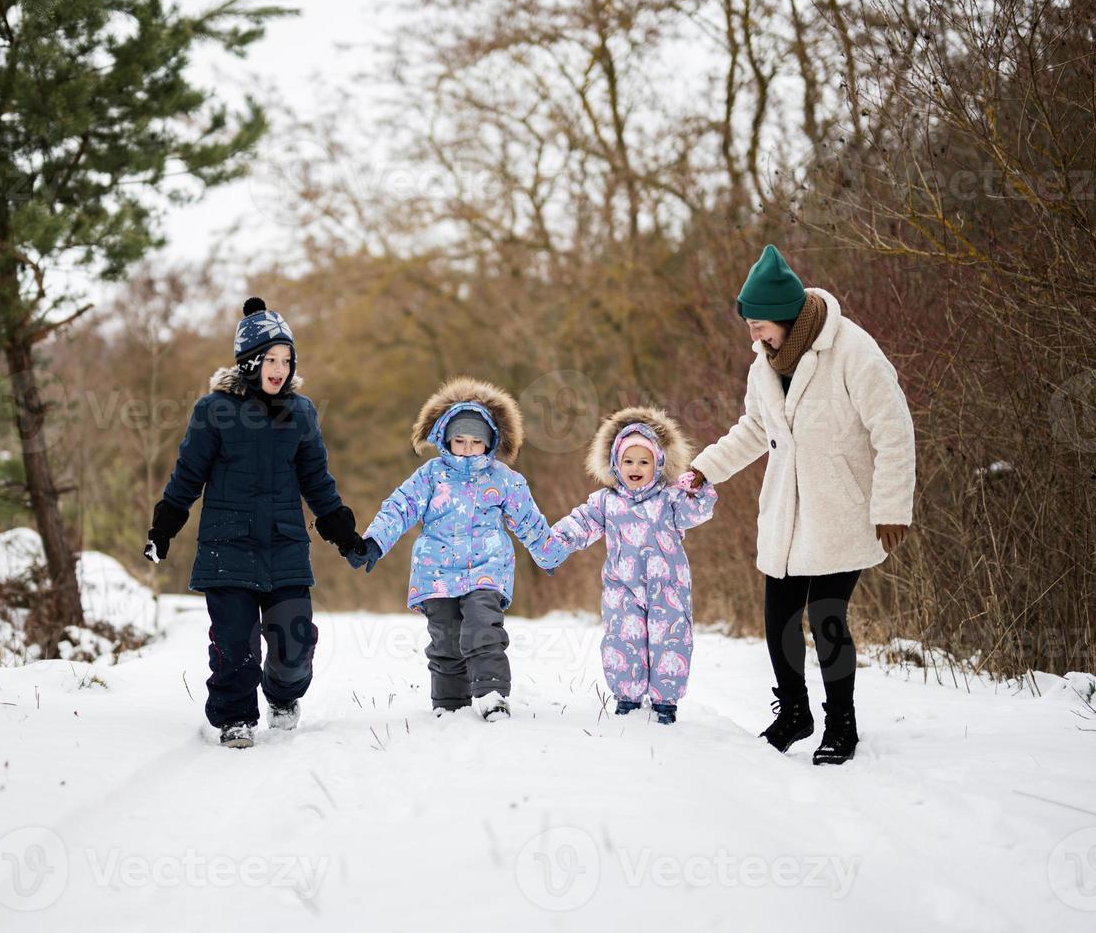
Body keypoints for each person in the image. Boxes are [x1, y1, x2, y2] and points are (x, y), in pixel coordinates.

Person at [688, 244, 915, 764]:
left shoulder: (853, 352)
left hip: (843, 508)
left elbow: (894, 430)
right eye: (749, 325)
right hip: (788, 510)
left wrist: (891, 507)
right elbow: (753, 428)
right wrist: (705, 468)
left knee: (827, 615)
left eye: (761, 324)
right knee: (779, 617)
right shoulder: (764, 364)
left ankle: (842, 725)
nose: (754, 335)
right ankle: (795, 712)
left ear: (789, 316)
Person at [145, 297, 366, 749]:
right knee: (235, 647)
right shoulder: (215, 410)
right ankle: (235, 718)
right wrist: (163, 528)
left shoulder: (300, 413)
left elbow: (317, 481)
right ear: (249, 362)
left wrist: (343, 533)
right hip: (227, 548)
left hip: (283, 546)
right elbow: (188, 474)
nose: (279, 368)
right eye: (270, 359)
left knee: (295, 645)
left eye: (286, 360)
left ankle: (283, 696)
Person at [347, 378, 562, 722]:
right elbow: (400, 508)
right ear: (446, 439)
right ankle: (450, 703)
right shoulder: (431, 475)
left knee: (483, 625)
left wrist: (545, 551)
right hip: (437, 572)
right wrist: (374, 542)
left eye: (476, 442)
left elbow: (527, 518)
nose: (467, 448)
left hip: (486, 568)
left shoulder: (504, 479)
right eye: (460, 440)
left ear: (489, 443)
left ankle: (492, 693)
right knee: (445, 638)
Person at [547, 408, 717, 725]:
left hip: (668, 588)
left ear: (658, 464)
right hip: (621, 588)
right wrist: (556, 541)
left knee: (670, 639)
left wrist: (698, 488)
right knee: (622, 639)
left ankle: (666, 701)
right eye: (628, 461)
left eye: (644, 461)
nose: (635, 468)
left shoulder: (670, 499)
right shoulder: (606, 501)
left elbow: (699, 511)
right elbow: (581, 522)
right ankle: (627, 696)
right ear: (615, 464)